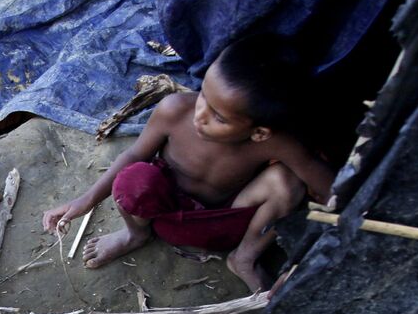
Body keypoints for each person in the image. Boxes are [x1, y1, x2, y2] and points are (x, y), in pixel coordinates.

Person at [43, 35, 335, 292]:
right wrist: (85, 201)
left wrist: (348, 211)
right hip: (165, 217)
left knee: (287, 181)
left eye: (219, 117)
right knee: (133, 178)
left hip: (227, 224)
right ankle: (134, 234)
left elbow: (327, 184)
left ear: (258, 133)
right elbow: (132, 156)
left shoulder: (276, 142)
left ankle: (244, 258)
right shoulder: (175, 110)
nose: (200, 115)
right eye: (204, 96)